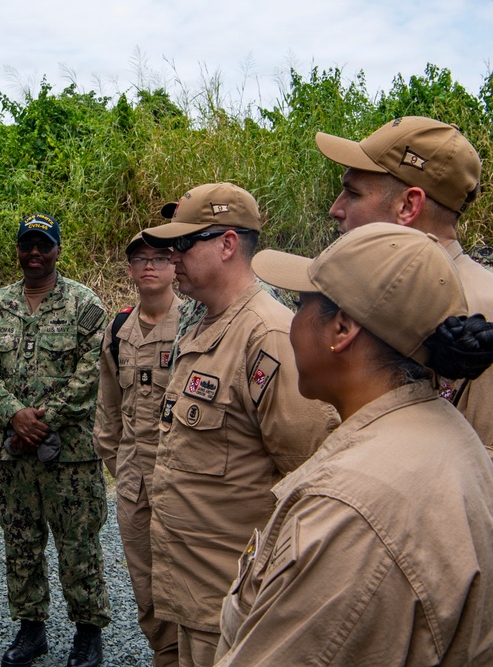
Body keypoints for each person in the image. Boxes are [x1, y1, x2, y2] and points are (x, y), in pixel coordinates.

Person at [215, 223, 493, 664]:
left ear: (341, 329)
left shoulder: (350, 506)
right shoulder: (444, 429)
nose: (291, 323)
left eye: (300, 305)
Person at [139, 182, 338, 666]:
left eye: (185, 243)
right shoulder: (206, 323)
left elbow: (313, 480)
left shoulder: (267, 335)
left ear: (228, 244)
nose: (172, 257)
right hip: (192, 593)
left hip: (234, 606)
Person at [0, 213, 111, 667]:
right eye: (27, 245)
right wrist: (15, 415)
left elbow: (92, 373)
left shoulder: (85, 305)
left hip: (71, 456)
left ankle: (88, 634)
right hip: (15, 456)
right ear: (17, 250)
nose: (34, 253)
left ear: (57, 251)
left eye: (43, 245)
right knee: (21, 544)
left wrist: (43, 421)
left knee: (79, 545)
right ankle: (31, 630)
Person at [316, 116, 493, 453]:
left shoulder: (482, 310)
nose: (335, 209)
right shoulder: (374, 297)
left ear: (408, 206)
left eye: (353, 193)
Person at [92, 232, 180, 667]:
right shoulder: (117, 330)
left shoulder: (193, 325)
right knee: (145, 582)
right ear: (129, 270)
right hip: (133, 482)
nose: (149, 266)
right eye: (140, 259)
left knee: (187, 579)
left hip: (181, 481)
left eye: (160, 258)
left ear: (175, 267)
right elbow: (108, 408)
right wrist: (120, 463)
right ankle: (165, 655)